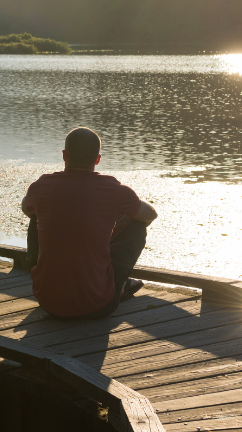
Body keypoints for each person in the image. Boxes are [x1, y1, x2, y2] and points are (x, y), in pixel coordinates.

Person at [21, 127, 157, 319]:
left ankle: (55, 278)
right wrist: (125, 208)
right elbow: (150, 215)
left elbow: (26, 208)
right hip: (98, 305)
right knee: (136, 224)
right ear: (97, 159)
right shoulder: (113, 189)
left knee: (36, 214)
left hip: (48, 303)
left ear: (64, 155)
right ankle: (117, 286)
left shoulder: (41, 186)